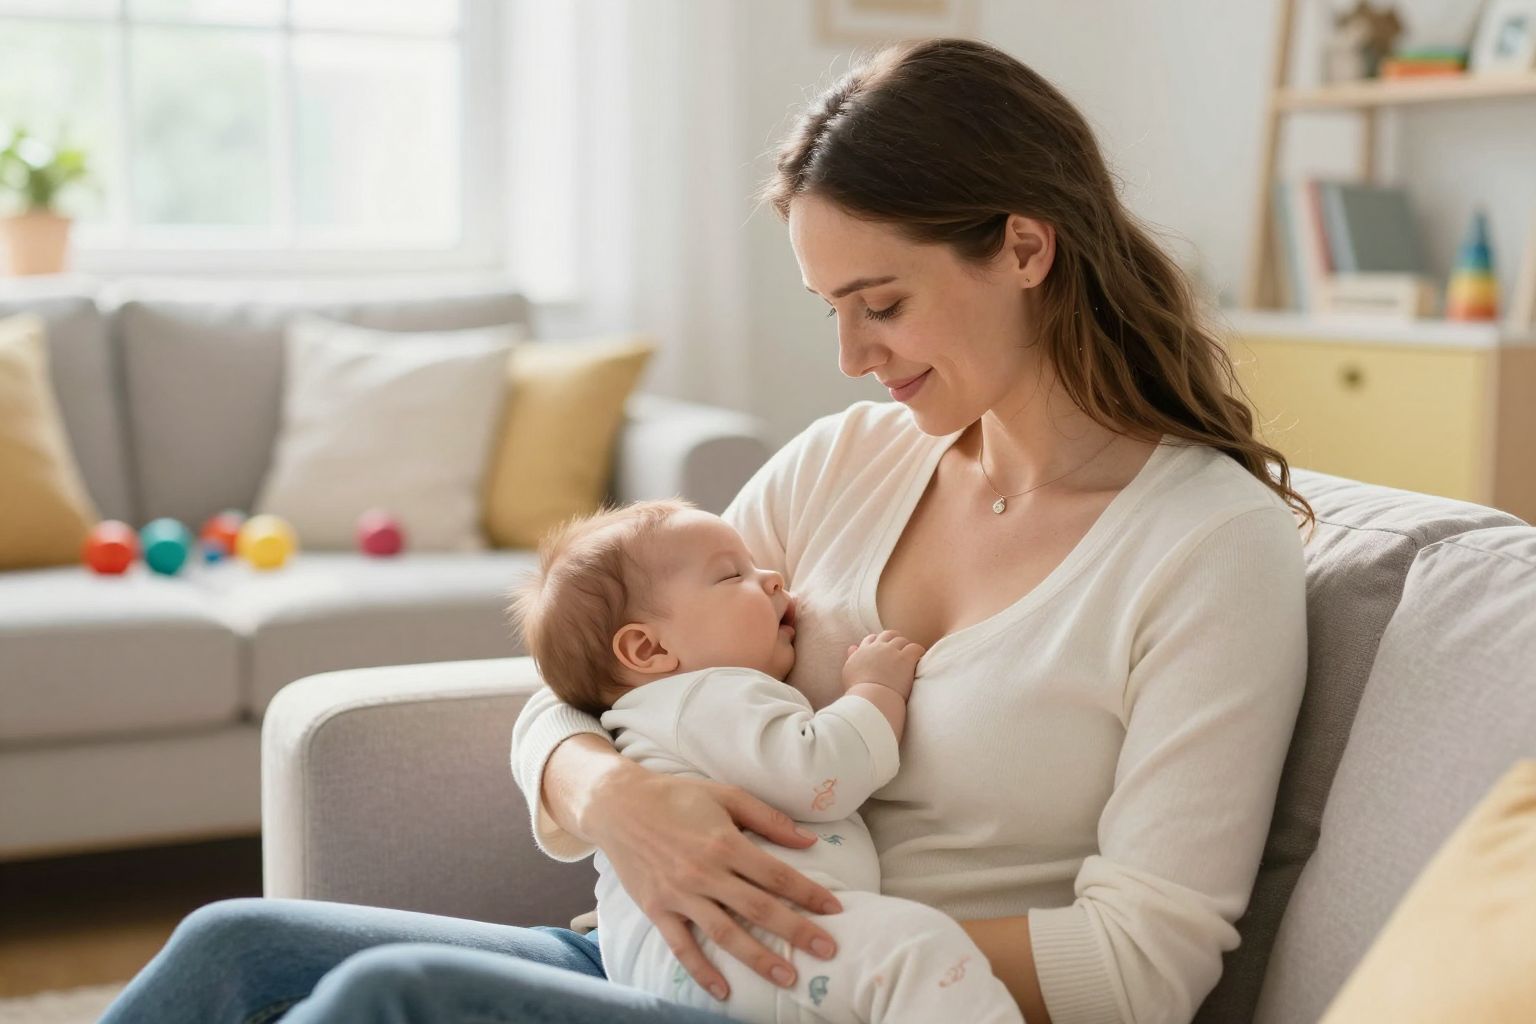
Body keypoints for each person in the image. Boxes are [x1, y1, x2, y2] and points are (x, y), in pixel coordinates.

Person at [100, 36, 1312, 1024]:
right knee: (237, 944)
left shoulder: (1208, 548)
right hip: (666, 969)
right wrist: (620, 802)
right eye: (830, 309)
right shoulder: (847, 462)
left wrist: (807, 945)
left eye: (880, 304)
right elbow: (579, 683)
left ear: (1027, 246)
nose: (850, 358)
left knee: (389, 998)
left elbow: (1145, 964)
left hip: (858, 1003)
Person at [505, 496, 1023, 1022]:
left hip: (687, 959)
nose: (774, 577)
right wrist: (875, 688)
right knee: (920, 950)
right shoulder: (706, 695)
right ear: (646, 650)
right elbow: (823, 775)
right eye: (733, 576)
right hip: (732, 947)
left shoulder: (660, 707)